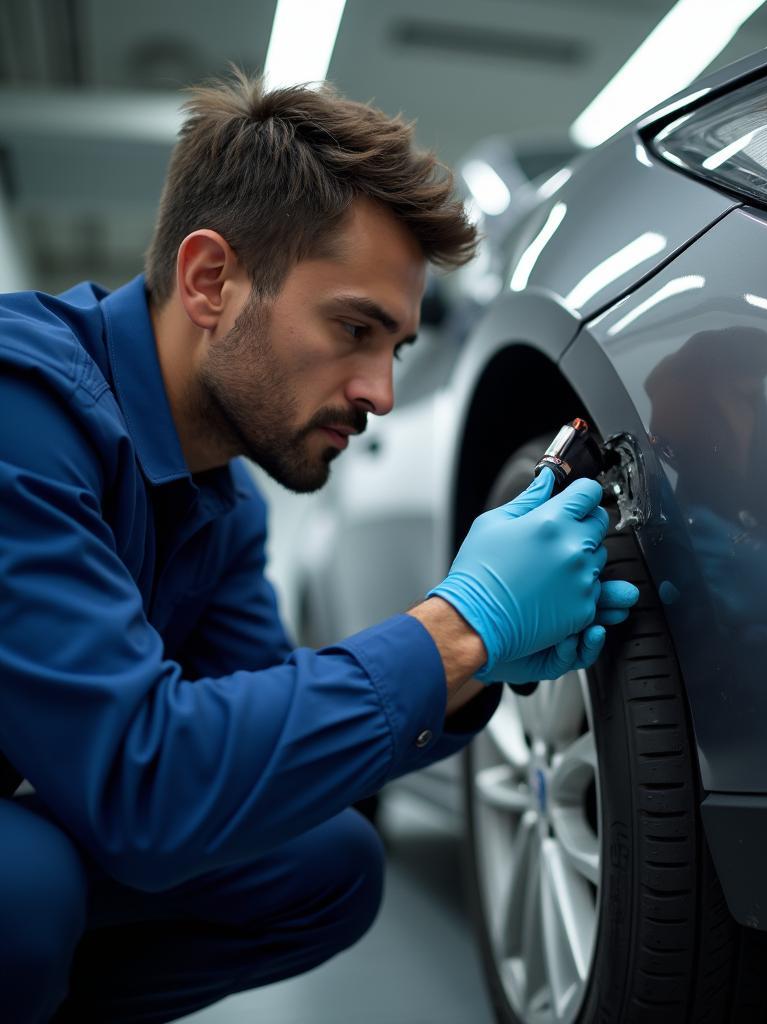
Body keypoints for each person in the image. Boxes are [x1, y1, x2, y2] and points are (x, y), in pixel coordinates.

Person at [0, 72, 639, 1023]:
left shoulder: (220, 498)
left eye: (398, 350)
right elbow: (147, 785)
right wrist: (459, 626)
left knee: (326, 865)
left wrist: (478, 666)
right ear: (211, 280)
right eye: (353, 329)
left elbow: (263, 758)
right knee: (26, 890)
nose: (379, 393)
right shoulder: (23, 409)